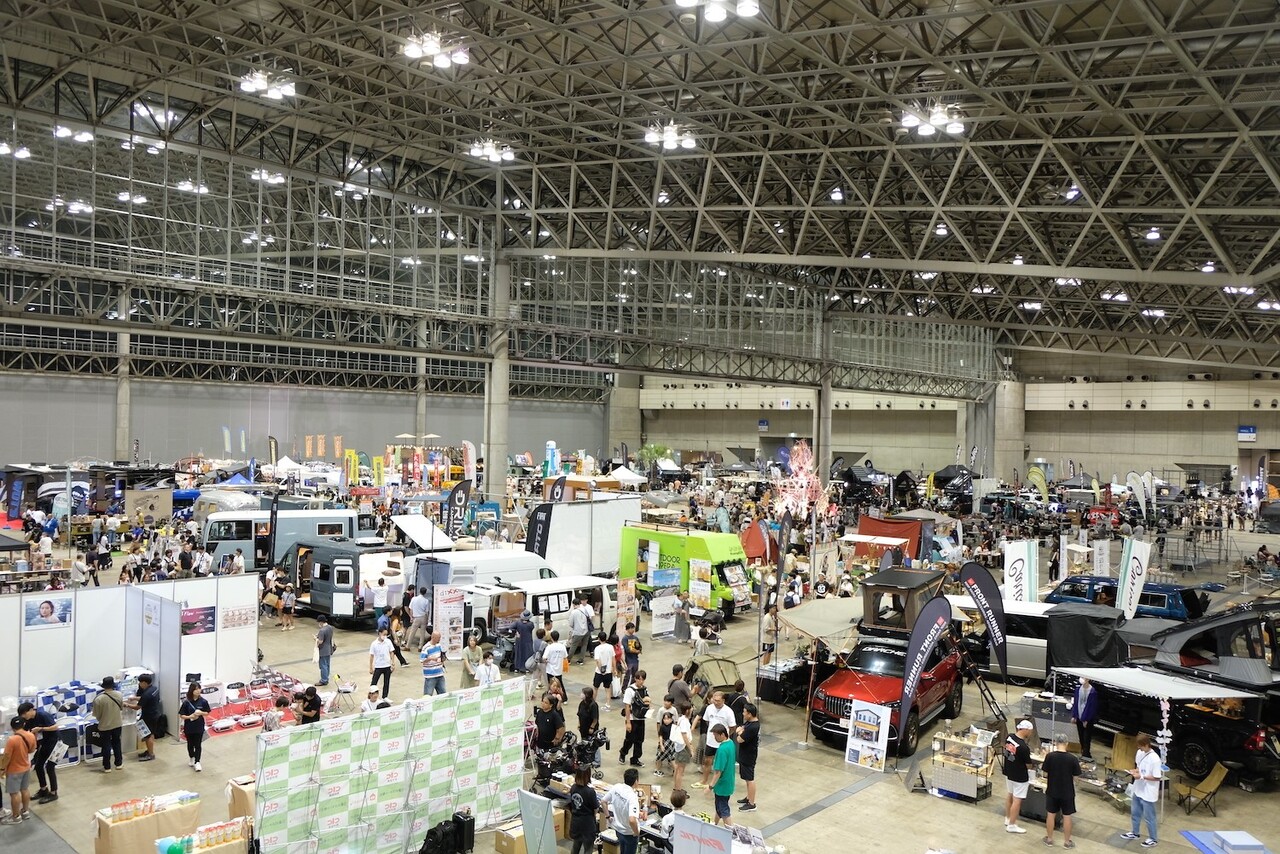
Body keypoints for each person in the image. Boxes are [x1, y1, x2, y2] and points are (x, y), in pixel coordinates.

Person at [1121, 733, 1162, 848]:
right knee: (1135, 813)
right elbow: (1139, 767)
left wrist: (1142, 776)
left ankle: (1153, 839)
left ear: (1146, 744)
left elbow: (1157, 777)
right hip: (1138, 789)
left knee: (1149, 817)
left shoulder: (1155, 759)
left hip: (1148, 792)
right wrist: (1135, 771)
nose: (1139, 748)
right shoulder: (1140, 753)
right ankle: (1135, 832)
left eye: (1141, 746)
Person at [1042, 732, 1082, 848]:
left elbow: (1045, 774)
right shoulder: (1073, 759)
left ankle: (1049, 839)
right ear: (1067, 743)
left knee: (1051, 814)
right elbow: (1076, 778)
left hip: (1052, 790)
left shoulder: (1050, 756)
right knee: (1067, 816)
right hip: (1067, 792)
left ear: (1055, 743)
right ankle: (1067, 842)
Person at [17, 702, 59, 804]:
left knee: (50, 767)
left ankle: (53, 793)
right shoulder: (29, 720)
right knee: (39, 766)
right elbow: (25, 732)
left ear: (31, 710)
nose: (24, 716)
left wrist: (41, 729)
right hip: (44, 743)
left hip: (56, 743)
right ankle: (43, 789)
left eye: (25, 713)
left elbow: (55, 727)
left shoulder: (43, 715)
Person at [693, 691, 736, 789]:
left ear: (723, 700)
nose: (715, 702)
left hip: (722, 743)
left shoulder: (728, 711)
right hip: (710, 741)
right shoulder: (709, 708)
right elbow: (707, 721)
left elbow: (732, 727)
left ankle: (719, 782)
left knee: (721, 764)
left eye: (718, 701)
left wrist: (725, 736)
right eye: (714, 700)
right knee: (707, 761)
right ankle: (704, 781)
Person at [1, 716, 36, 824]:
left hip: (14, 770)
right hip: (26, 767)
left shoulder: (12, 740)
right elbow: (32, 750)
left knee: (14, 793)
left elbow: (7, 756)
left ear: (12, 727)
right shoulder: (31, 735)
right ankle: (25, 811)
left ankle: (16, 817)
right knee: (25, 789)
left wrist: (2, 768)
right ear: (24, 724)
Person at [1002, 719, 1034, 833]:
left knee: (1010, 795)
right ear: (1026, 730)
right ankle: (1012, 825)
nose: (1031, 733)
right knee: (1017, 800)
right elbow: (1028, 764)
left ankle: (1008, 818)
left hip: (1009, 772)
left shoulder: (1009, 737)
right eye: (1030, 731)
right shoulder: (1024, 747)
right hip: (1020, 776)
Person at [125, 672, 164, 762]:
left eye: (140, 682)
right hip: (155, 714)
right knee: (151, 734)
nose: (139, 684)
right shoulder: (154, 689)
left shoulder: (146, 694)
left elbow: (137, 707)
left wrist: (127, 705)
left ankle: (151, 754)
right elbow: (144, 698)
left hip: (148, 716)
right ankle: (149, 750)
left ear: (144, 683)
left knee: (147, 735)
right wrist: (135, 698)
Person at [705, 723, 737, 826]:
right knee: (719, 807)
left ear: (722, 734)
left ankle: (731, 830)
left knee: (724, 809)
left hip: (722, 785)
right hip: (729, 782)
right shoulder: (731, 743)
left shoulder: (722, 750)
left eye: (716, 735)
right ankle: (715, 824)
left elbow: (718, 772)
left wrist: (710, 786)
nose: (714, 738)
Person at [92, 676, 125, 773]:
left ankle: (107, 767)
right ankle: (119, 763)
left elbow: (97, 715)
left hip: (104, 725)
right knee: (117, 743)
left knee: (106, 745)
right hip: (117, 723)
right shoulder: (119, 694)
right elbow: (121, 707)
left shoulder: (98, 699)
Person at [619, 669, 651, 767]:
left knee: (639, 740)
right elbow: (627, 707)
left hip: (641, 718)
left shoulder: (645, 689)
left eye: (643, 679)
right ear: (635, 679)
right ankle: (623, 753)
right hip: (633, 719)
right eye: (639, 679)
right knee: (629, 739)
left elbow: (648, 702)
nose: (641, 681)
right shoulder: (630, 690)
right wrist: (628, 722)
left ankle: (635, 759)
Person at [606, 767, 641, 854]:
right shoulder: (632, 797)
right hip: (629, 834)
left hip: (618, 830)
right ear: (636, 781)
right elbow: (632, 820)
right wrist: (636, 832)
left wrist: (608, 816)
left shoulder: (617, 787)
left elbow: (603, 801)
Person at [568, 766, 601, 854]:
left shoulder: (573, 788)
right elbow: (595, 808)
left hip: (576, 821)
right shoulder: (590, 792)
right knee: (588, 848)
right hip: (587, 824)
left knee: (576, 846)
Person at [178, 682, 210, 772]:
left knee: (198, 744)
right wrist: (190, 717)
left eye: (199, 688)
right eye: (196, 689)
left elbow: (207, 712)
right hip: (189, 726)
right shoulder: (186, 702)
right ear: (191, 690)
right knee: (190, 744)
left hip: (199, 725)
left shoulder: (203, 701)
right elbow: (181, 715)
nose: (198, 691)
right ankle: (192, 757)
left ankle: (197, 761)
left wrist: (201, 713)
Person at [734, 703, 760, 812]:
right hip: (745, 754)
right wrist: (741, 730)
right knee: (746, 778)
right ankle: (748, 797)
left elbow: (739, 739)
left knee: (750, 779)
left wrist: (739, 732)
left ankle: (752, 803)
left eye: (744, 712)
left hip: (749, 755)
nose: (743, 714)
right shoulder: (749, 723)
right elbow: (741, 728)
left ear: (749, 714)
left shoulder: (753, 727)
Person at [1070, 676, 1099, 762]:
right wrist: (1074, 715)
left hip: (1087, 718)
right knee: (1081, 736)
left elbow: (1092, 707)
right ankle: (1084, 752)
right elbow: (1076, 703)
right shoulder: (1078, 689)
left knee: (1087, 737)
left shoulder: (1093, 692)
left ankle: (1086, 754)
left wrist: (1086, 719)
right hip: (1079, 715)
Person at [672, 703, 695, 792]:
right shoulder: (685, 721)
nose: (692, 710)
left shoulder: (681, 718)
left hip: (679, 747)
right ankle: (678, 789)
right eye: (691, 708)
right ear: (687, 710)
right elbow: (684, 735)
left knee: (678, 769)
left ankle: (676, 787)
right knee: (680, 771)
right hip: (683, 747)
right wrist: (690, 748)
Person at [593, 631, 618, 711]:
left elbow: (598, 660)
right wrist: (614, 669)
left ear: (599, 639)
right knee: (607, 688)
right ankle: (608, 705)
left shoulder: (597, 648)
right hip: (608, 672)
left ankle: (593, 703)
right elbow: (613, 659)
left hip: (599, 672)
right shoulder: (610, 647)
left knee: (595, 688)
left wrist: (601, 669)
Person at [369, 625, 395, 699]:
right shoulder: (374, 644)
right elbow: (371, 656)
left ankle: (385, 697)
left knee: (386, 682)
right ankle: (371, 696)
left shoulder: (388, 642)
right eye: (384, 634)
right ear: (380, 633)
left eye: (386, 634)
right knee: (374, 683)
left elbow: (391, 652)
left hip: (387, 665)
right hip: (378, 666)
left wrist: (393, 662)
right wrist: (371, 667)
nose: (385, 636)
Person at [577, 686, 600, 765]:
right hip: (583, 727)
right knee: (584, 743)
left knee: (593, 744)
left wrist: (592, 727)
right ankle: (586, 758)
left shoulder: (593, 705)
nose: (581, 694)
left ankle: (597, 761)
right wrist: (579, 724)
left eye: (583, 693)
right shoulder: (582, 703)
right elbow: (579, 715)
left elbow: (595, 718)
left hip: (590, 728)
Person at [420, 630, 447, 695]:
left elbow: (441, 656)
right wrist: (431, 658)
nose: (439, 639)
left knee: (443, 693)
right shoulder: (426, 647)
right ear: (433, 637)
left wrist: (443, 659)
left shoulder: (439, 646)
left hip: (440, 673)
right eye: (438, 638)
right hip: (430, 676)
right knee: (428, 694)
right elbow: (422, 660)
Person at [544, 630, 569, 695]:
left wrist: (547, 661)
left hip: (550, 669)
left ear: (551, 638)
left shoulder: (549, 647)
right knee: (559, 684)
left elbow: (544, 658)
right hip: (559, 669)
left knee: (551, 685)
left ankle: (552, 697)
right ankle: (563, 697)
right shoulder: (562, 646)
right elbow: (565, 656)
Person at [512, 610, 536, 674]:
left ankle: (517, 668)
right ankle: (527, 668)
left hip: (519, 641)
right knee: (527, 655)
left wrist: (516, 632)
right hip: (528, 641)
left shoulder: (517, 623)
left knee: (518, 654)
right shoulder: (531, 624)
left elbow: (511, 628)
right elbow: (532, 628)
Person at [314, 614, 335, 686]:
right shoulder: (330, 627)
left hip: (323, 650)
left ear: (321, 622)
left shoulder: (322, 630)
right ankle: (326, 678)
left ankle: (324, 680)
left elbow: (320, 641)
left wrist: (316, 639)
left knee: (323, 665)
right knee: (327, 664)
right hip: (329, 649)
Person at [568, 598, 590, 664]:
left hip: (578, 632)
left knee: (574, 645)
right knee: (584, 645)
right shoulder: (584, 610)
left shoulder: (573, 612)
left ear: (573, 604)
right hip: (586, 630)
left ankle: (568, 659)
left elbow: (571, 624)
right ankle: (581, 660)